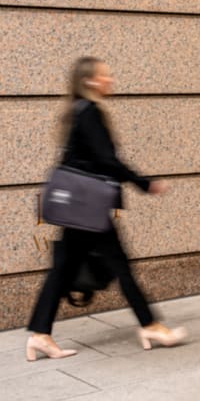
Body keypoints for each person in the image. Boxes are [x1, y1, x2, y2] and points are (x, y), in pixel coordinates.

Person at [26, 57, 187, 361]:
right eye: (104, 76)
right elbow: (106, 160)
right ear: (89, 81)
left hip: (80, 206)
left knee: (63, 268)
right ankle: (150, 325)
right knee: (118, 265)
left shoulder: (78, 111)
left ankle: (39, 335)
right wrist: (144, 183)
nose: (110, 80)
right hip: (88, 207)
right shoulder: (90, 112)